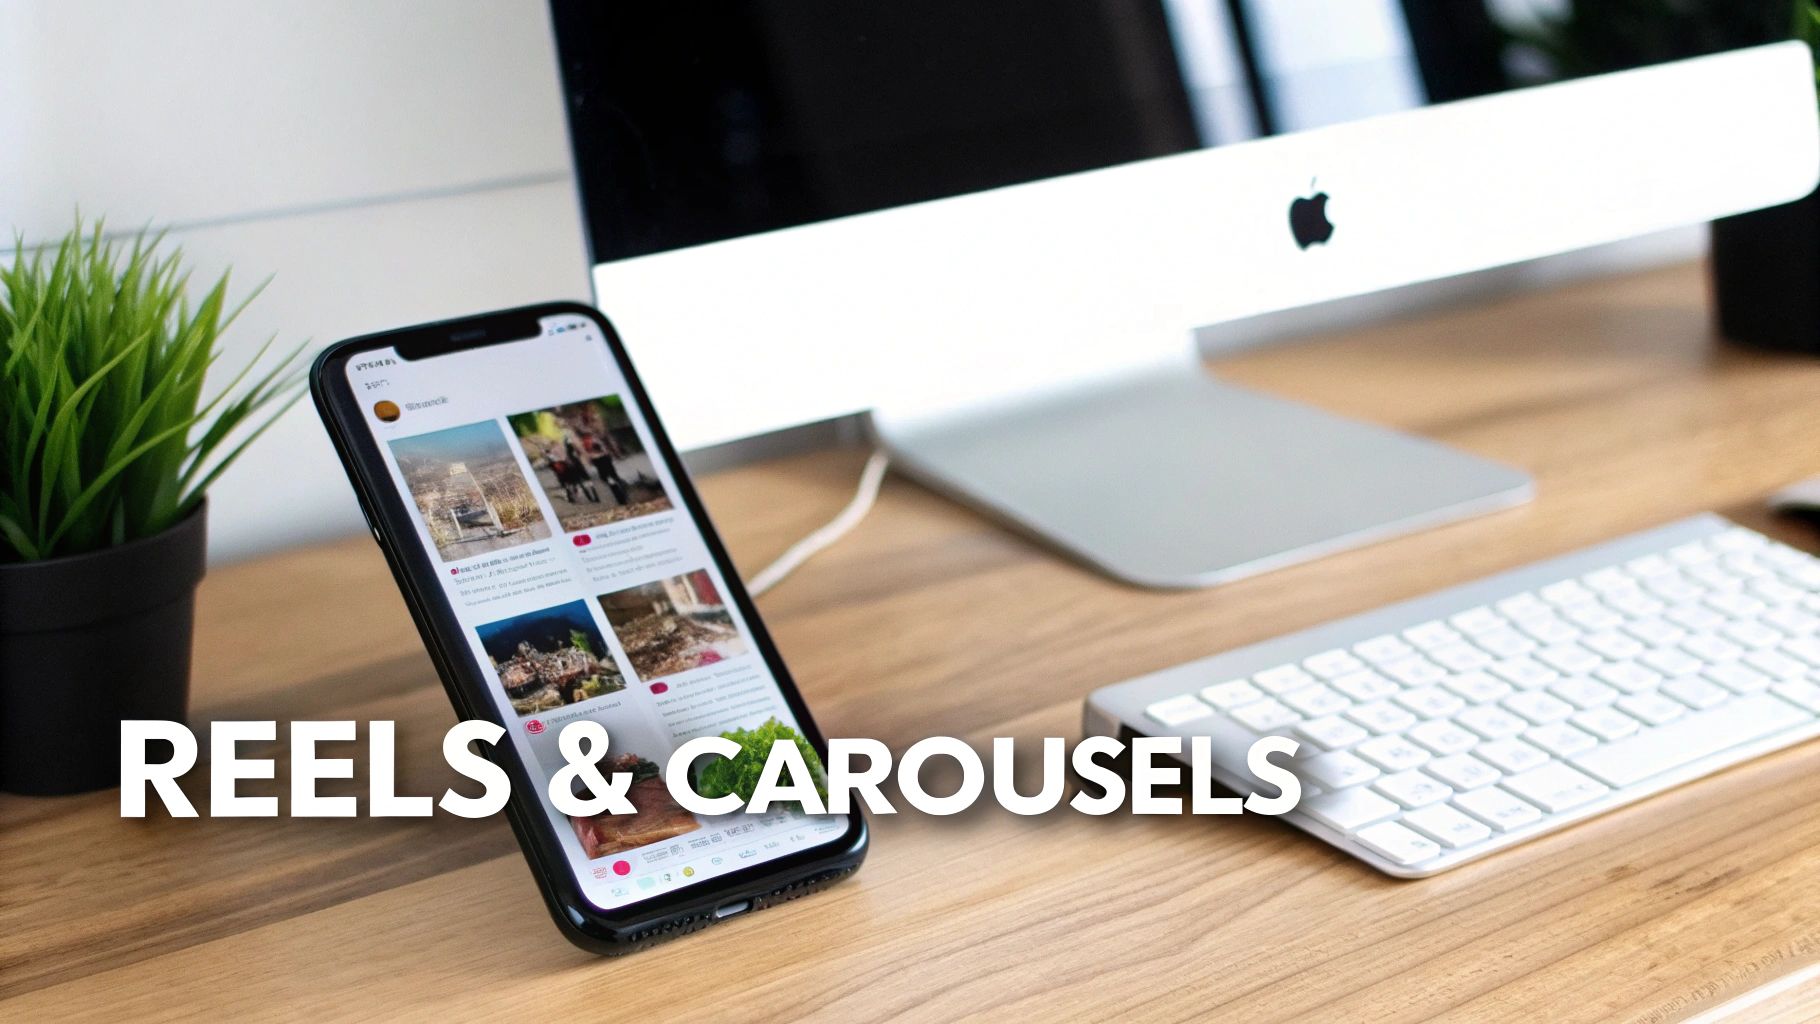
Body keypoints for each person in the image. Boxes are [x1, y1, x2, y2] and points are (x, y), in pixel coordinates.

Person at [582, 430, 630, 505]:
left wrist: (590, 459)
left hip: (598, 461)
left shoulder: (585, 443)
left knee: (608, 479)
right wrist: (607, 453)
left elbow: (589, 454)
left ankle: (621, 498)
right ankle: (622, 492)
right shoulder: (594, 440)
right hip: (604, 459)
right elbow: (604, 449)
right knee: (613, 477)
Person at [555, 438, 599, 503]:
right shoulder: (575, 455)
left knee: (582, 484)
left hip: (575, 471)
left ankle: (591, 498)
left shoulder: (568, 457)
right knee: (588, 483)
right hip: (580, 470)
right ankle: (595, 497)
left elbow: (569, 465)